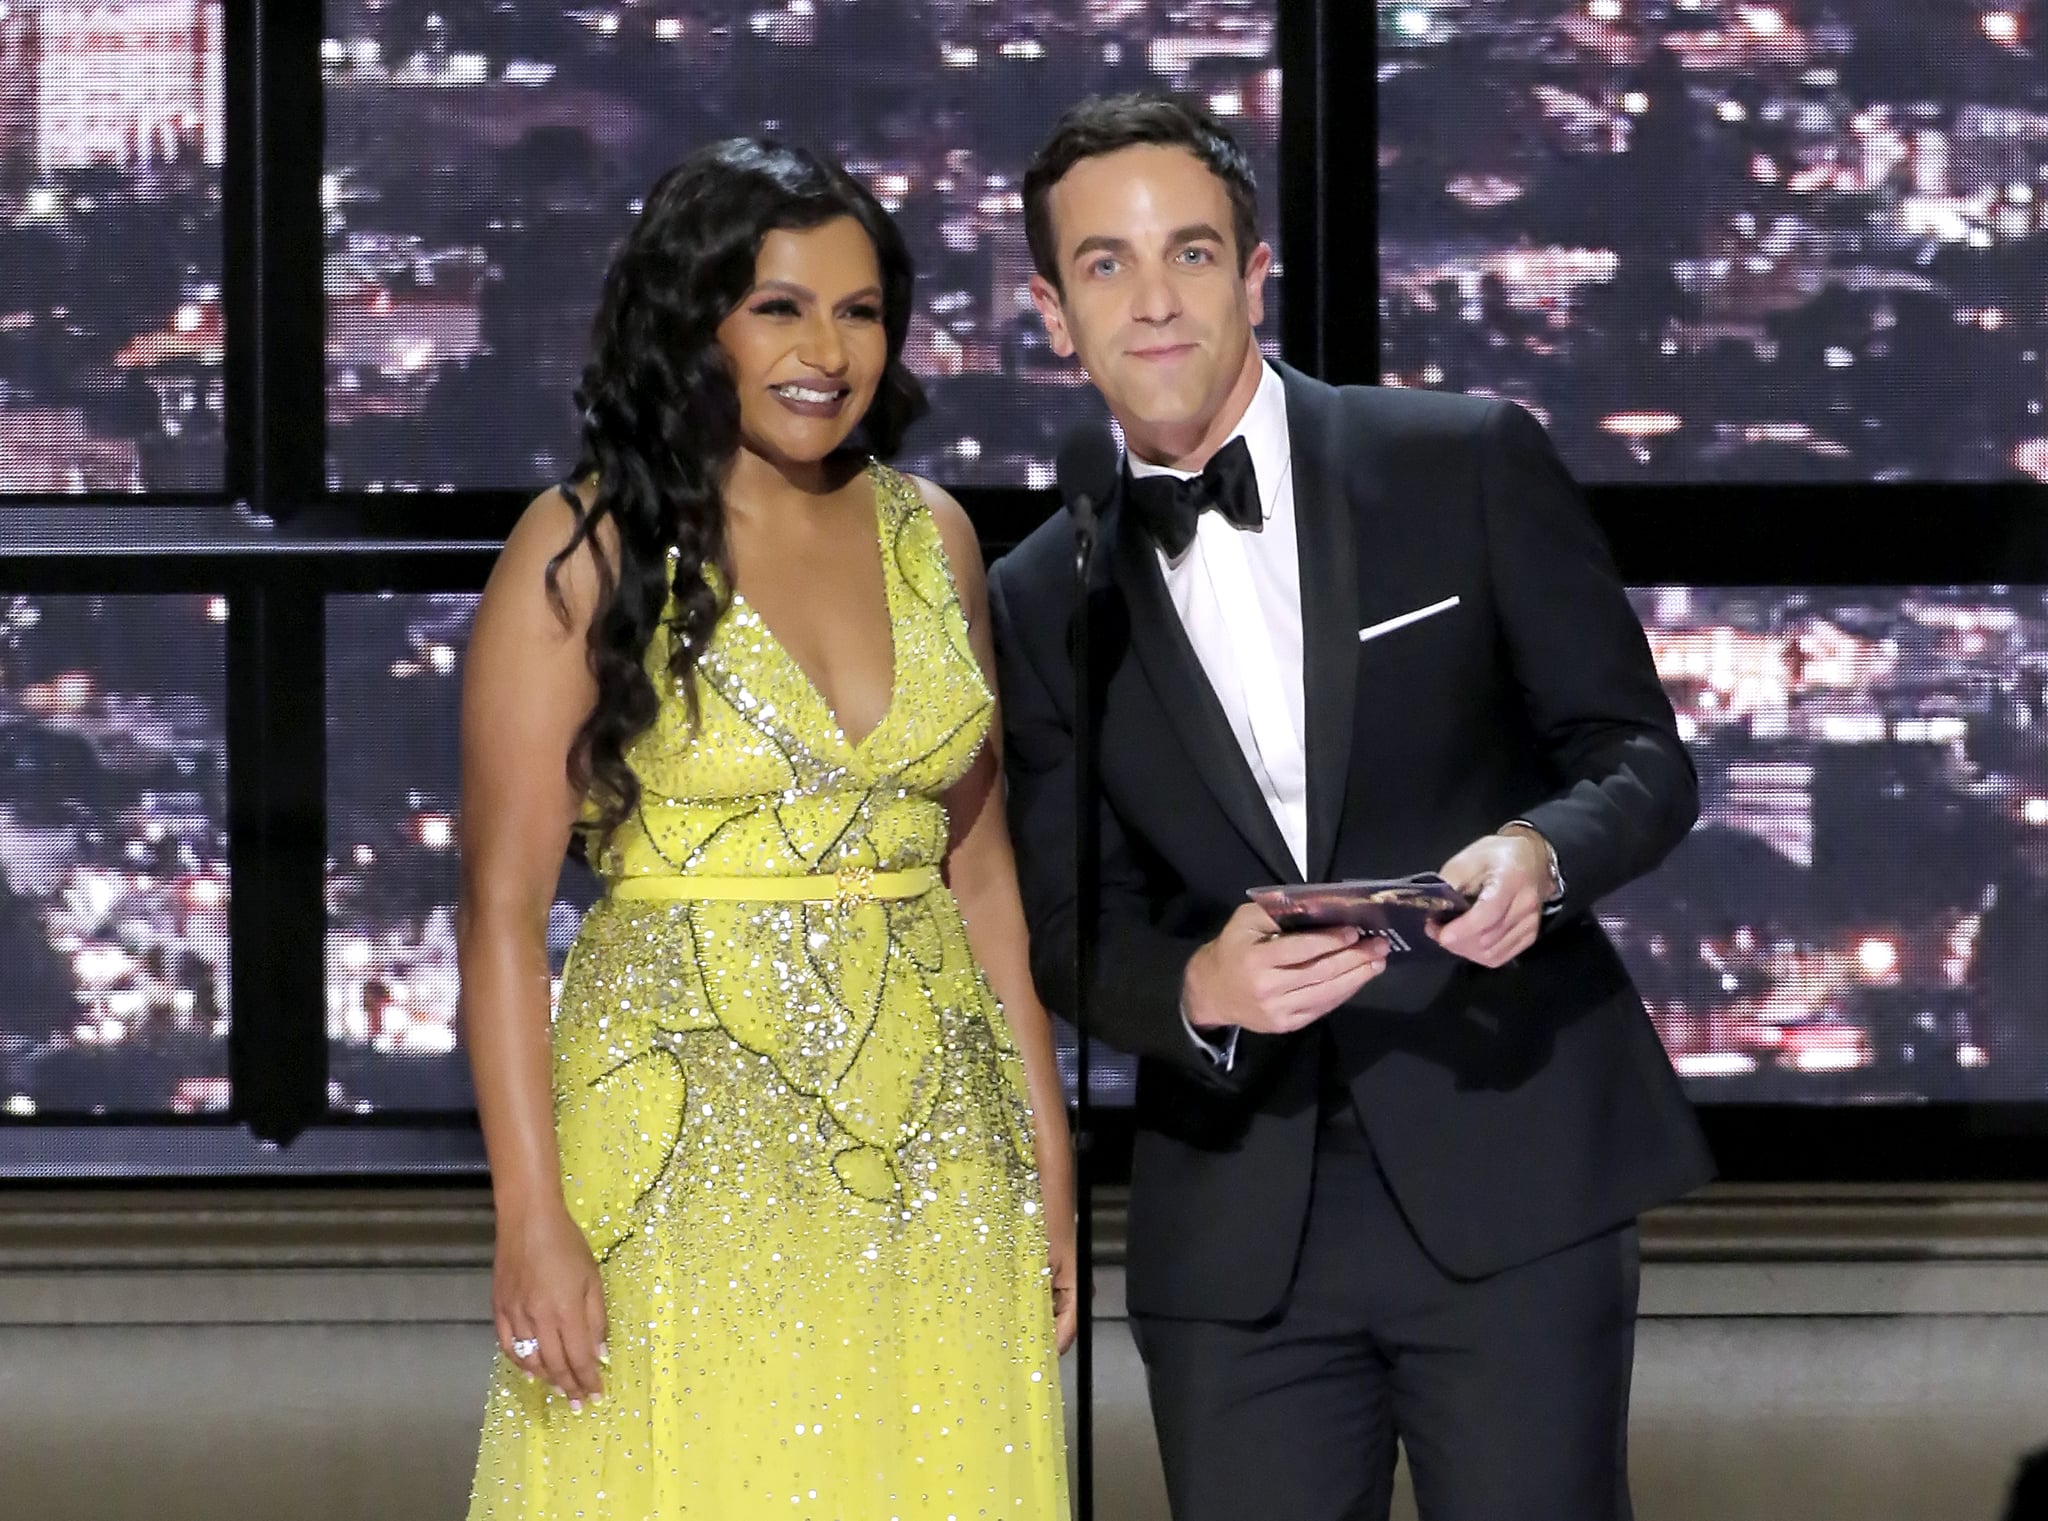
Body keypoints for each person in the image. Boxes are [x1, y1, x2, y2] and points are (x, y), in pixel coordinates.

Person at [988, 94, 1714, 1521]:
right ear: (1051, 312)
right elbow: (1066, 920)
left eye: (1190, 254)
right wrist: (1196, 980)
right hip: (1238, 1227)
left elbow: (1640, 756)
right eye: (1105, 265)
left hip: (1509, 1163)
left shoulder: (1460, 458)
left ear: (1256, 271)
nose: (1153, 303)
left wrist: (1538, 858)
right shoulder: (1038, 592)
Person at [458, 139, 1073, 1520]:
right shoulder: (583, 548)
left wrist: (1047, 1152)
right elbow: (499, 916)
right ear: (697, 322)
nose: (827, 348)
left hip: (940, 1147)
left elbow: (980, 873)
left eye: (860, 310)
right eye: (780, 306)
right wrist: (529, 1216)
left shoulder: (939, 537)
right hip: (677, 1159)